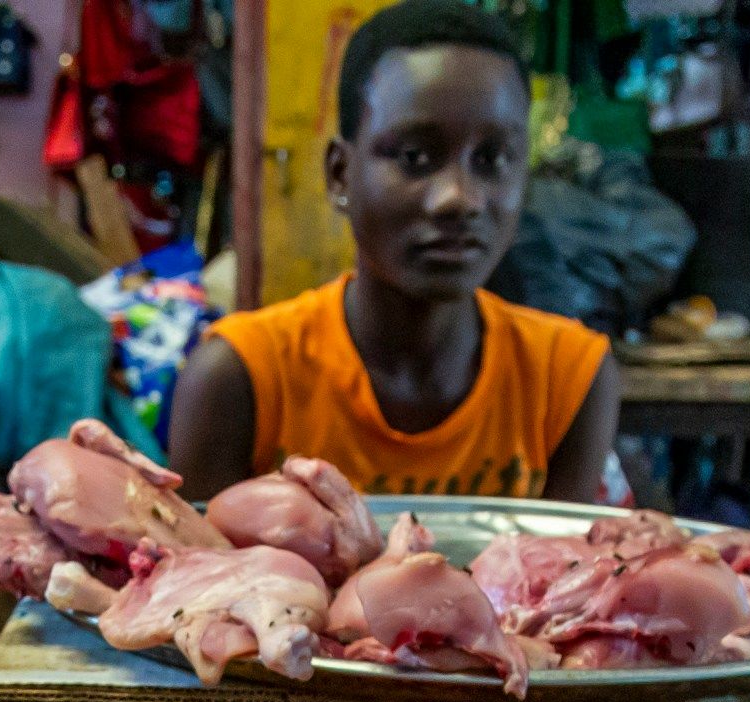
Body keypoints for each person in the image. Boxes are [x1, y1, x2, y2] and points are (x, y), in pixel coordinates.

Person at [166, 0, 621, 501]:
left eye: (492, 158)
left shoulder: (567, 380)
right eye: (415, 157)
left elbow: (570, 578)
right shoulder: (241, 379)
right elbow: (191, 576)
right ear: (340, 173)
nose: (460, 198)